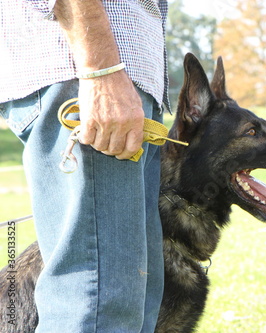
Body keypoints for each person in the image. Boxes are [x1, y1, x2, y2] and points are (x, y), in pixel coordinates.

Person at [0, 1, 168, 331]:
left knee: (130, 303)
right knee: (98, 306)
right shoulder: (98, 72)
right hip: (88, 75)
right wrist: (100, 68)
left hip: (116, 79)